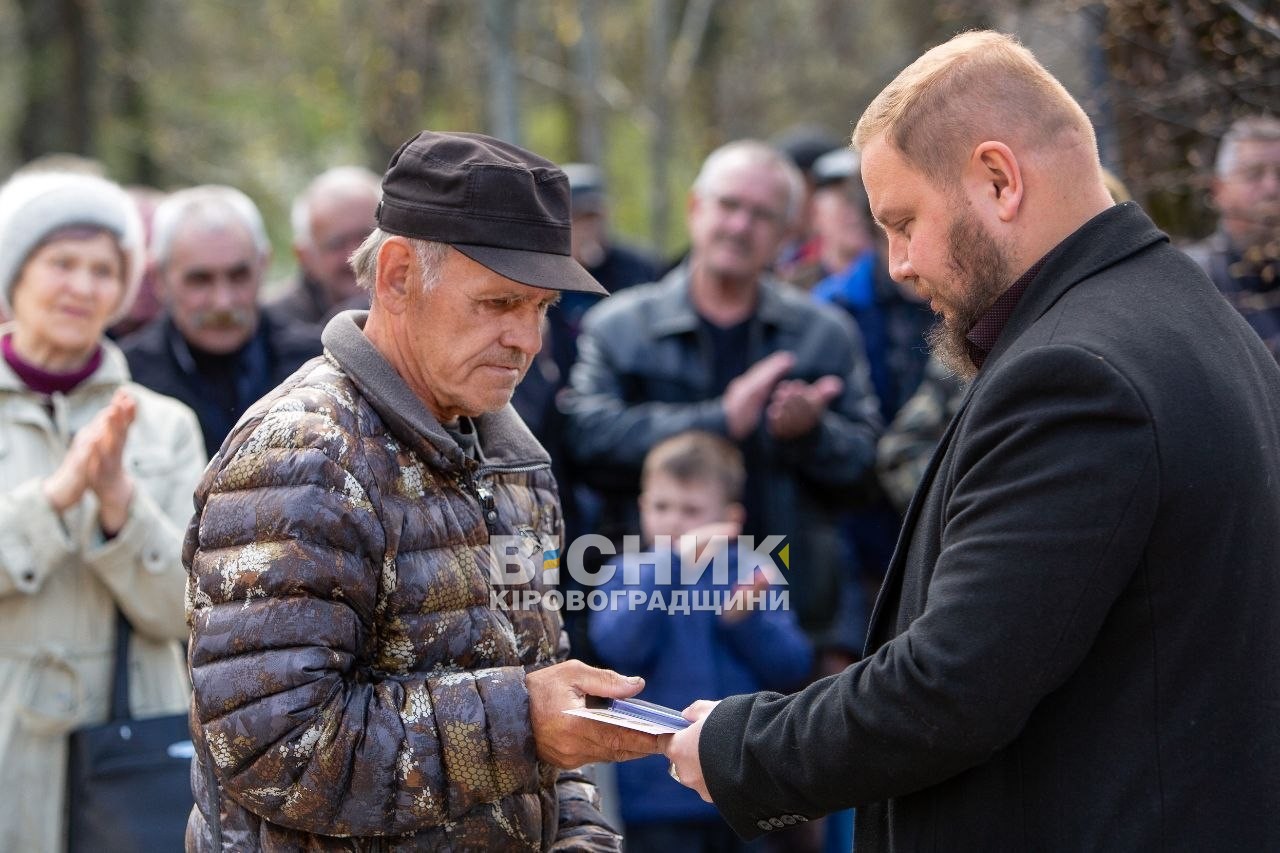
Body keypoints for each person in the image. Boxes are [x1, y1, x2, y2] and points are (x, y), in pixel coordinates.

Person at [663, 31, 1280, 851]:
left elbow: (952, 685)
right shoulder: (1193, 318)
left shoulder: (1077, 372)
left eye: (904, 221)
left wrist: (741, 746)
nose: (898, 263)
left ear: (998, 178)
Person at [183, 131, 663, 851]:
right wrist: (524, 720)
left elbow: (547, 720)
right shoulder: (305, 452)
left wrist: (580, 838)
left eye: (540, 308)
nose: (525, 340)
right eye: (498, 302)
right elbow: (271, 745)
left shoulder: (512, 455)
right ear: (399, 275)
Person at [561, 140, 883, 656]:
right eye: (729, 205)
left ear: (785, 234)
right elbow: (585, 439)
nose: (739, 226)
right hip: (649, 623)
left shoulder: (824, 334)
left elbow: (867, 470)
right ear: (695, 208)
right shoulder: (619, 326)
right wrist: (721, 419)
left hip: (787, 621)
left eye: (761, 215)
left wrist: (810, 434)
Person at [0, 171, 205, 851]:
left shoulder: (163, 424)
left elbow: (185, 604)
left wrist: (119, 499)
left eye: (103, 270)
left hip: (135, 735)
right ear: (14, 276)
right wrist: (57, 496)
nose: (83, 287)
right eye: (61, 263)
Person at [590, 431, 811, 853]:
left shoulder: (752, 572)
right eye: (661, 506)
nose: (673, 521)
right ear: (641, 508)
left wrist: (746, 622)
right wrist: (674, 561)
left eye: (691, 511)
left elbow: (792, 665)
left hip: (745, 781)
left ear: (731, 520)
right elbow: (617, 648)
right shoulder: (628, 571)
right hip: (656, 790)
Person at [119, 185, 321, 457]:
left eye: (238, 276)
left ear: (263, 265)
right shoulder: (127, 380)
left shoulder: (317, 365)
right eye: (200, 280)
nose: (223, 302)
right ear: (158, 278)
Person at [1183, 114, 1280, 359]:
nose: (1272, 188)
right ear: (1219, 189)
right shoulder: (1194, 280)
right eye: (1254, 174)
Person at [269, 165, 382, 325]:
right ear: (305, 257)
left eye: (367, 236)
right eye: (337, 244)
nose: (355, 253)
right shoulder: (274, 328)